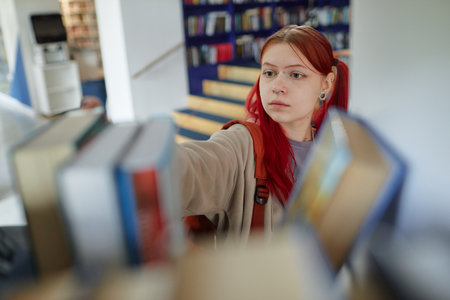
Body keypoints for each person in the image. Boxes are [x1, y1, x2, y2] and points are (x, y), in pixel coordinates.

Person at [176, 25, 349, 244]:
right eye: (269, 72)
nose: (277, 86)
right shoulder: (241, 145)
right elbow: (189, 168)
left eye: (296, 74)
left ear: (326, 83)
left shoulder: (329, 147)